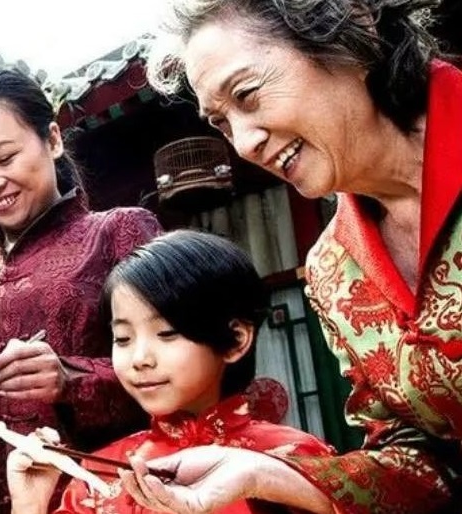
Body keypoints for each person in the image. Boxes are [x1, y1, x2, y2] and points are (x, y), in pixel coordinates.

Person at [115, 0, 462, 512]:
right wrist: (263, 472)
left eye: (247, 94)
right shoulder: (332, 272)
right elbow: (423, 463)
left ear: (348, 27)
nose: (244, 144)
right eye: (222, 123)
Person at [0, 68, 162, 514]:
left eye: (5, 157)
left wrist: (69, 378)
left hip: (107, 501)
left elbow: (184, 367)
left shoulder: (118, 233)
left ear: (52, 139)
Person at [6, 230, 334, 514]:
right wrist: (30, 505)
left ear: (236, 339)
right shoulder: (98, 474)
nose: (140, 358)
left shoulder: (294, 461)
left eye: (166, 333)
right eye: (123, 338)